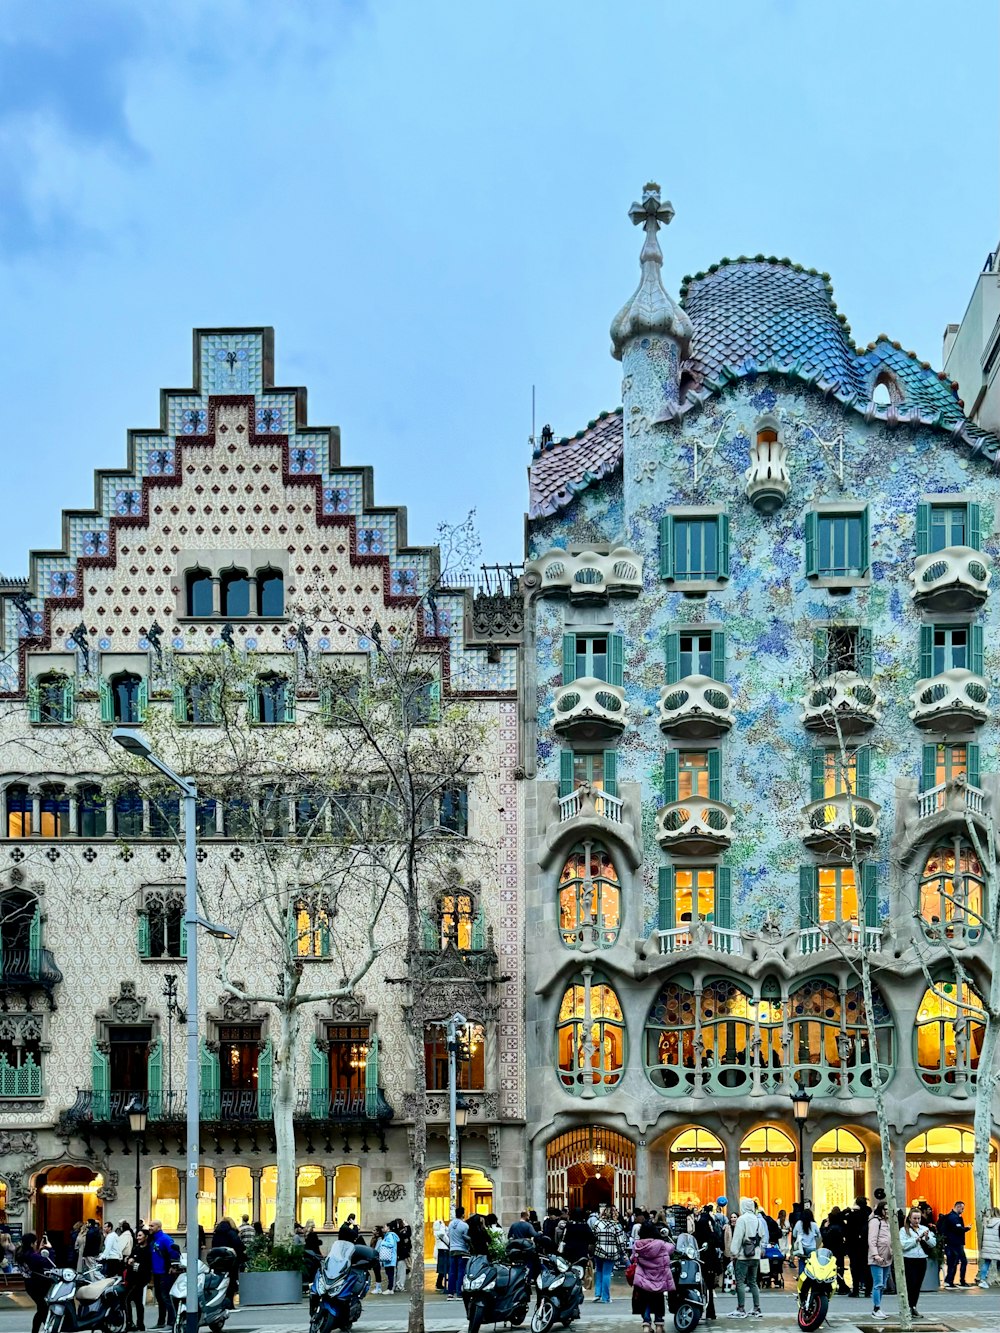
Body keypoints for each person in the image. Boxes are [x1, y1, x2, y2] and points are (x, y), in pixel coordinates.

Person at [631, 1220, 675, 1333]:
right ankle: (659, 1325)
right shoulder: (661, 1244)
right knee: (658, 1300)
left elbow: (633, 1258)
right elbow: (672, 1248)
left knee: (644, 1301)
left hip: (643, 1279)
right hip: (659, 1278)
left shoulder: (637, 1245)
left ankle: (646, 1325)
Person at [727, 1198, 766, 1319]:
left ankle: (741, 1308)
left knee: (740, 1282)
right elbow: (762, 1236)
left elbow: (738, 1237)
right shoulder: (758, 1220)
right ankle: (756, 1308)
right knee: (753, 1282)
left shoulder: (742, 1219)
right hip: (755, 1255)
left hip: (743, 1256)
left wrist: (733, 1252)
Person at [18, 1232, 57, 1333]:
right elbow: (48, 1263)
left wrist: (39, 1250)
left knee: (42, 1309)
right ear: (31, 1244)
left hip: (30, 1284)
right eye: (35, 1242)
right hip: (38, 1285)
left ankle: (39, 1330)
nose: (36, 1244)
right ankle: (46, 1329)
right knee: (43, 1309)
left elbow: (36, 1261)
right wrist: (50, 1249)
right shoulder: (31, 1255)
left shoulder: (22, 1253)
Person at [590, 1204, 627, 1305]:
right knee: (607, 1273)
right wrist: (623, 1252)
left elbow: (593, 1237)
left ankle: (597, 1294)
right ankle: (605, 1297)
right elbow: (620, 1241)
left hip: (599, 1250)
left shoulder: (597, 1223)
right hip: (611, 1251)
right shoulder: (616, 1225)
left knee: (599, 1272)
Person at [900, 1207, 934, 1316]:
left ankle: (913, 1306)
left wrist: (927, 1238)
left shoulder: (923, 1228)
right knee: (911, 1284)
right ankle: (907, 1306)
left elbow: (933, 1243)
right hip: (909, 1259)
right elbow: (903, 1245)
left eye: (919, 1218)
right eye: (914, 1218)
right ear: (909, 1218)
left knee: (918, 1284)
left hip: (921, 1259)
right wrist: (916, 1240)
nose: (917, 1220)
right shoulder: (904, 1230)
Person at [147, 1219, 180, 1329]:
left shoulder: (165, 1239)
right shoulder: (153, 1240)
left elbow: (174, 1252)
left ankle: (171, 1322)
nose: (150, 1227)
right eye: (149, 1225)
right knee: (160, 1298)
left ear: (159, 1227)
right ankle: (161, 1322)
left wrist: (173, 1266)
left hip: (165, 1272)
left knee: (167, 1298)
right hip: (156, 1273)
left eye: (152, 1226)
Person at [694, 1204, 722, 1321]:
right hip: (710, 1259)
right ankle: (711, 1311)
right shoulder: (711, 1223)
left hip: (702, 1258)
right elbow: (716, 1239)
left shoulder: (701, 1224)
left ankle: (702, 1310)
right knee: (710, 1286)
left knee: (700, 1284)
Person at [211, 1216, 245, 1308]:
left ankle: (219, 1302)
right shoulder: (231, 1233)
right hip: (230, 1261)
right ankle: (229, 1302)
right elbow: (239, 1245)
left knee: (219, 1281)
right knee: (231, 1281)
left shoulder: (216, 1233)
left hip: (217, 1261)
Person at [125, 1227, 153, 1332]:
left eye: (140, 1235)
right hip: (132, 1278)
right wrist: (129, 1261)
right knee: (137, 1301)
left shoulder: (148, 1250)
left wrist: (134, 1264)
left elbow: (145, 1266)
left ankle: (130, 1323)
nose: (138, 1238)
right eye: (137, 1235)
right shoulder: (136, 1248)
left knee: (127, 1299)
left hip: (140, 1279)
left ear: (146, 1237)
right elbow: (130, 1260)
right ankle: (140, 1324)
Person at [867, 1201, 892, 1318]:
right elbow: (872, 1240)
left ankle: (878, 1307)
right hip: (877, 1258)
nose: (887, 1212)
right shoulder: (875, 1221)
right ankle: (876, 1308)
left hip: (887, 1257)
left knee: (883, 1284)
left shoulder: (887, 1222)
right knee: (878, 1284)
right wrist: (875, 1255)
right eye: (885, 1209)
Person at [939, 1200, 971, 1287]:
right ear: (958, 1207)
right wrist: (967, 1228)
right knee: (960, 1262)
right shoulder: (954, 1217)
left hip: (952, 1243)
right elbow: (958, 1229)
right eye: (962, 1208)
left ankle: (950, 1280)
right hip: (955, 1243)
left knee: (953, 1262)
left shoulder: (951, 1216)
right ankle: (959, 1281)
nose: (963, 1210)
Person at [821, 1207, 849, 1294]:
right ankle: (841, 1286)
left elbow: (825, 1237)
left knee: (829, 1268)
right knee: (840, 1267)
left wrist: (824, 1228)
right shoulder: (841, 1224)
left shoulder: (829, 1225)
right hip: (839, 1249)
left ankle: (831, 1285)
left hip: (829, 1249)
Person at [446, 1207, 469, 1300]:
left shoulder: (450, 1224)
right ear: (463, 1214)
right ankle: (459, 1293)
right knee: (461, 1271)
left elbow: (448, 1235)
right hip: (462, 1250)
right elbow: (467, 1238)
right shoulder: (464, 1225)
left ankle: (450, 1293)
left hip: (452, 1250)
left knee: (452, 1272)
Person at [791, 1208, 821, 1275]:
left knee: (801, 1262)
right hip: (812, 1247)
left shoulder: (798, 1223)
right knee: (811, 1263)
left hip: (801, 1248)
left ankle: (801, 1277)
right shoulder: (814, 1224)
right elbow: (819, 1235)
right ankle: (811, 1277)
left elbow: (794, 1234)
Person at [978, 1205, 1000, 1288]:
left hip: (987, 1246)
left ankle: (982, 1280)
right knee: (999, 1263)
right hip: (997, 1246)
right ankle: (998, 1278)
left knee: (986, 1263)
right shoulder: (999, 1222)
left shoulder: (987, 1222)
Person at [377, 1222, 399, 1293]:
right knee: (389, 1273)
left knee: (390, 1274)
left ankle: (390, 1289)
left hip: (390, 1257)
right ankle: (390, 1288)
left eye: (385, 1227)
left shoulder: (389, 1235)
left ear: (389, 1228)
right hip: (390, 1257)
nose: (384, 1228)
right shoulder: (388, 1235)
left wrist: (383, 1243)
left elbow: (391, 1244)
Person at [432, 1216, 450, 1290]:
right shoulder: (441, 1233)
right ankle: (439, 1284)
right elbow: (446, 1239)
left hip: (441, 1251)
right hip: (444, 1251)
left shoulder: (436, 1232)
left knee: (442, 1269)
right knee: (445, 1268)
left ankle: (439, 1283)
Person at [394, 1220, 412, 1291]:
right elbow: (408, 1235)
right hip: (402, 1254)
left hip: (400, 1254)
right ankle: (400, 1285)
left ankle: (398, 1285)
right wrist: (408, 1226)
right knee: (401, 1271)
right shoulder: (401, 1234)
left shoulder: (396, 1233)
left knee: (400, 1270)